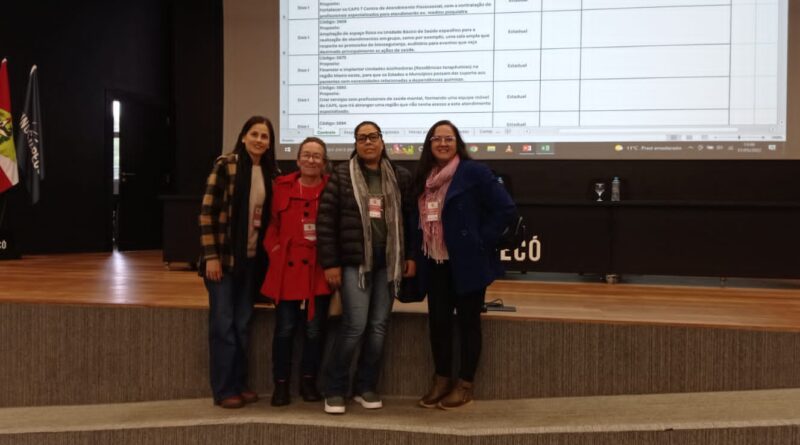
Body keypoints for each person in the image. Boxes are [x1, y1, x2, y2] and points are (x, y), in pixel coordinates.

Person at [412, 120, 516, 409]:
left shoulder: (474, 172)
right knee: (439, 324)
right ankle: (441, 379)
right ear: (429, 144)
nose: (443, 143)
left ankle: (465, 384)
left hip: (468, 262)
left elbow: (505, 209)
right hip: (435, 262)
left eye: (449, 138)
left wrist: (480, 240)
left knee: (469, 324)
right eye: (437, 139)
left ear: (457, 142)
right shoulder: (424, 176)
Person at [316, 121, 415, 414]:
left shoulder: (400, 176)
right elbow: (325, 223)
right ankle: (334, 388)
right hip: (354, 264)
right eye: (362, 138)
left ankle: (366, 386)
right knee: (355, 326)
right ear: (355, 144)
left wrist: (409, 256)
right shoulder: (341, 176)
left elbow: (409, 220)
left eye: (373, 137)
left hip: (388, 263)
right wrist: (330, 263)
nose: (368, 142)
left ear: (382, 142)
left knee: (378, 327)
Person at [199, 115, 278, 409]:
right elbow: (207, 213)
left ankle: (240, 383)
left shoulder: (271, 173)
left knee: (243, 326)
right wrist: (211, 258)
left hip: (250, 263)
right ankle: (224, 389)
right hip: (222, 261)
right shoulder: (226, 165)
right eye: (254, 134)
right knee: (223, 325)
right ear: (243, 136)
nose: (259, 140)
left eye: (265, 136)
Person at [261, 137, 332, 406]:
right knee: (285, 329)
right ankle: (280, 385)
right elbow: (271, 225)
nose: (311, 160)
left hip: (318, 270)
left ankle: (308, 382)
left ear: (324, 162)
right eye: (307, 155)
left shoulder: (331, 188)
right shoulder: (281, 186)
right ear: (298, 159)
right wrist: (276, 249)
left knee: (315, 331)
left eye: (317, 156)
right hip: (287, 271)